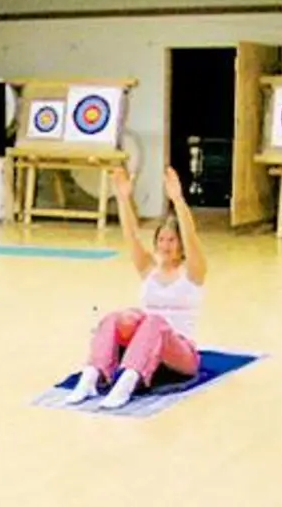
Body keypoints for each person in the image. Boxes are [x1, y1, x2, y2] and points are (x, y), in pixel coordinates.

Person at [65, 165, 207, 409]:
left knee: (154, 322)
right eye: (161, 239)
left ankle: (126, 383)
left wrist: (178, 200)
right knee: (117, 318)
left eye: (171, 240)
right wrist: (122, 198)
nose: (165, 245)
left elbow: (191, 236)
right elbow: (131, 234)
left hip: (181, 353)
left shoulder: (193, 272)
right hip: (145, 345)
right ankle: (91, 376)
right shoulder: (148, 269)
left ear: (181, 245)